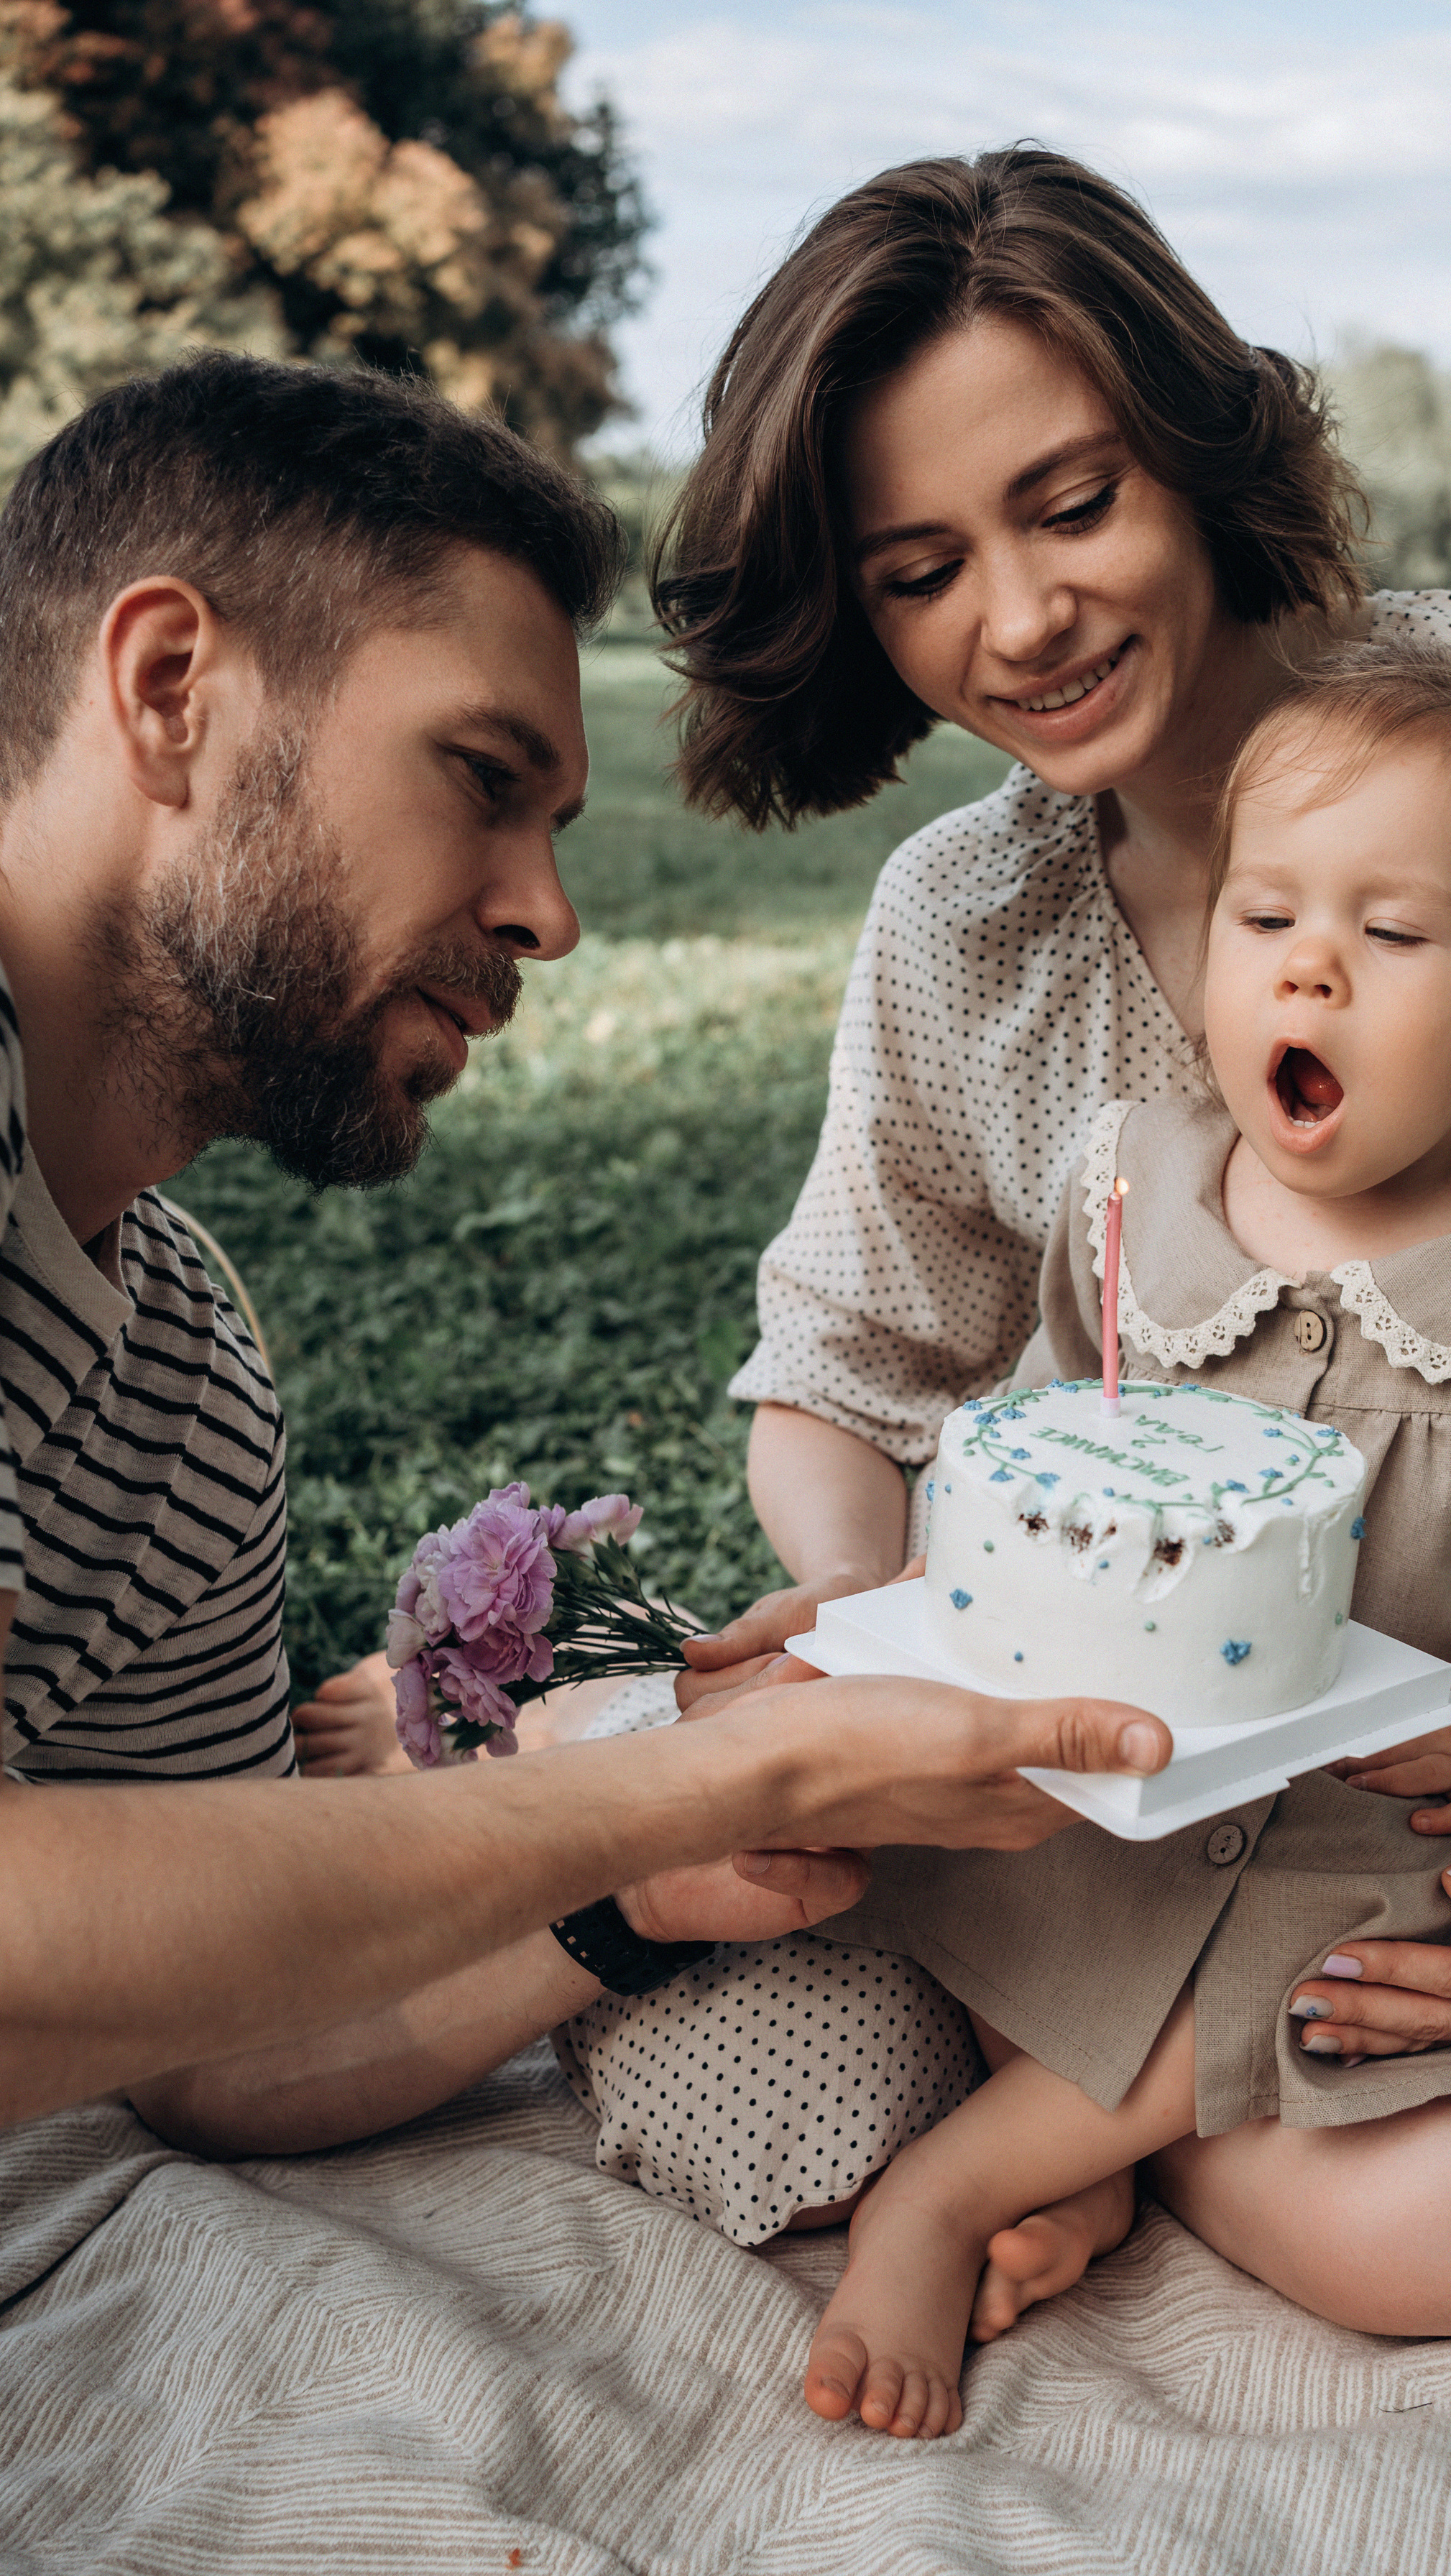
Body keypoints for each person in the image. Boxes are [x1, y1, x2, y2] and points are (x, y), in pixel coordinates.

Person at [528, 147, 1451, 2271]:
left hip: (1415, 1815)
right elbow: (839, 1377)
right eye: (917, 568)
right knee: (758, 2085)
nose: (1021, 622)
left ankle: (1096, 2121)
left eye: (1071, 505)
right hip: (1054, 1784)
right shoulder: (957, 917)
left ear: (1202, 449)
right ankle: (1084, 2107)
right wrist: (926, 1675)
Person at [0, 350, 1181, 2140]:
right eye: (481, 776)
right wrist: (698, 1779)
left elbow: (199, 2040)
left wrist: (639, 1881)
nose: (547, 912)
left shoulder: (178, 1391)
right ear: (172, 689)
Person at [783, 639, 1451, 2437]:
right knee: (992, 1910)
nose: (1308, 967)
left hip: (1383, 1840)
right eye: (1264, 920)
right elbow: (1043, 1435)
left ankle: (1054, 2148)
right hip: (1122, 1808)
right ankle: (970, 2183)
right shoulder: (1129, 1195)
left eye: (1390, 938)